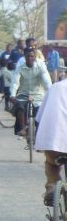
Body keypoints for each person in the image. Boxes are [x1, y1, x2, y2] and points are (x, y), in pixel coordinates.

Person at [35, 78, 67, 206]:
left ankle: (52, 186)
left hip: (53, 143)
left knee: (51, 163)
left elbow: (39, 117)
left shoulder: (55, 87)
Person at [10, 48, 52, 137]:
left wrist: (50, 93)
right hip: (23, 94)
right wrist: (12, 95)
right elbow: (15, 82)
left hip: (38, 95)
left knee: (39, 117)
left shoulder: (40, 67)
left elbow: (47, 81)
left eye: (32, 56)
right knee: (19, 107)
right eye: (27, 56)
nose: (29, 58)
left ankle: (39, 138)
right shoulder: (20, 68)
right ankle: (22, 129)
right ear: (24, 58)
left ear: (35, 58)